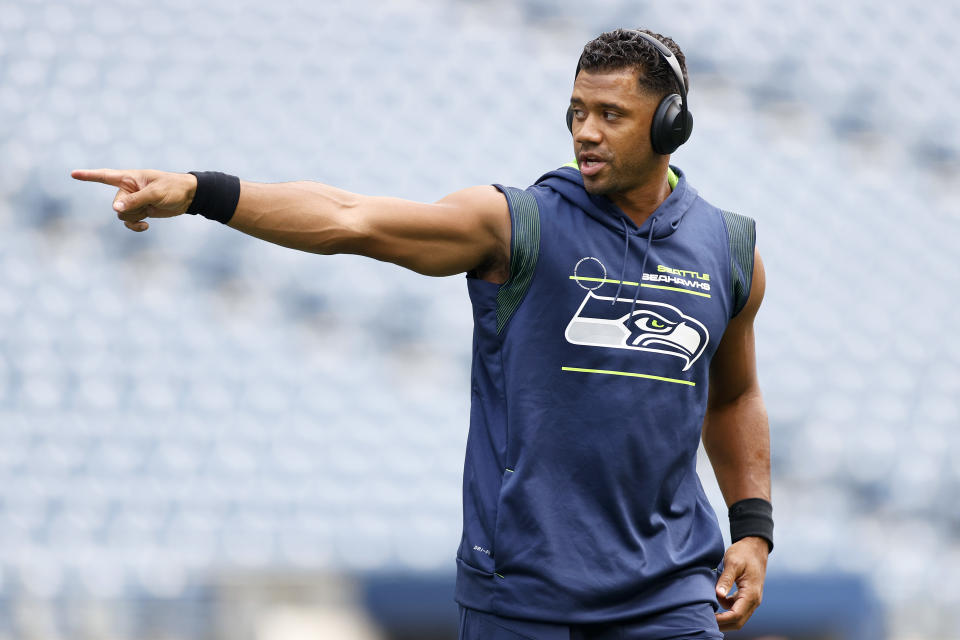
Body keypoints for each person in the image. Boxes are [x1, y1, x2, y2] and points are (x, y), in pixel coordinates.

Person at [73, 28, 771, 640]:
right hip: (523, 596)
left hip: (668, 594)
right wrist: (202, 192)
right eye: (577, 112)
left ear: (670, 124)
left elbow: (733, 396)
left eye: (610, 115)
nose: (585, 131)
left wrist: (752, 528)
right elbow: (352, 218)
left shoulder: (728, 250)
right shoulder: (517, 222)